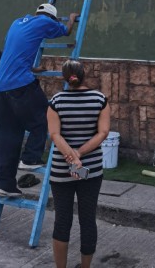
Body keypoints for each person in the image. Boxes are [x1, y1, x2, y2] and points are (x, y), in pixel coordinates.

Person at [0, 3, 79, 198]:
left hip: (0, 88)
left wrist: (32, 68)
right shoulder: (45, 21)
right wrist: (72, 18)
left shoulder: (17, 23)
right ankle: (31, 158)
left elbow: (15, 53)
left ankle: (5, 184)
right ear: (51, 17)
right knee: (46, 117)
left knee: (8, 137)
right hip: (21, 84)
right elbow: (66, 31)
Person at [47, 59, 110, 268]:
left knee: (62, 220)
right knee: (88, 219)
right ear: (84, 74)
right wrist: (79, 154)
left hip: (61, 169)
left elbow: (55, 135)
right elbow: (103, 133)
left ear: (65, 78)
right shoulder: (100, 99)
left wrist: (72, 157)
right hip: (90, 170)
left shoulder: (56, 101)